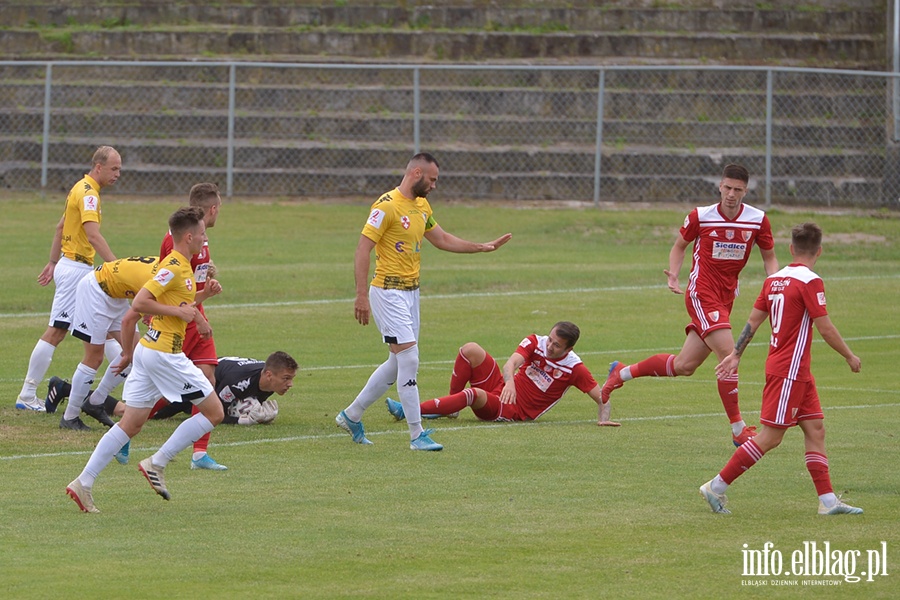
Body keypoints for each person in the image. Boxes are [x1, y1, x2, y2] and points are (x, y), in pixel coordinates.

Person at [336, 152, 511, 450]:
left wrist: (480, 247)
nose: (434, 186)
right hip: (388, 291)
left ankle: (351, 415)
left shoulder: (422, 206)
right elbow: (362, 249)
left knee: (396, 364)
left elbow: (441, 239)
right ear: (416, 173)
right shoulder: (385, 206)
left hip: (411, 294)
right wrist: (361, 295)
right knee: (411, 359)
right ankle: (417, 434)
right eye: (432, 180)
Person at [602, 163, 778, 446]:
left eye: (738, 190)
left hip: (726, 297)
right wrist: (674, 273)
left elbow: (769, 257)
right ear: (720, 186)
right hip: (701, 293)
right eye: (727, 188)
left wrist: (774, 283)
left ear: (746, 191)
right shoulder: (701, 216)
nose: (731, 194)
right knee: (729, 357)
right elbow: (679, 247)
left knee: (684, 366)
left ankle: (621, 372)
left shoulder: (757, 220)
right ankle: (738, 430)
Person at [66, 206, 224, 513]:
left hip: (149, 352)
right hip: (164, 353)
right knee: (214, 412)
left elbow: (178, 302)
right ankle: (158, 462)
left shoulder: (182, 268)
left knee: (131, 423)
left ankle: (82, 483)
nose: (205, 240)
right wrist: (180, 312)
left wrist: (202, 298)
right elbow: (139, 303)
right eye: (203, 234)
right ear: (189, 236)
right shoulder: (174, 266)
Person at [699, 222, 863, 516]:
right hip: (789, 371)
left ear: (790, 249)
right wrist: (849, 356)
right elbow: (824, 328)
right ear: (820, 251)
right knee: (771, 437)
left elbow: (752, 321)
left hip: (796, 371)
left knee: (815, 429)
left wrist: (735, 354)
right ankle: (716, 486)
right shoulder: (810, 281)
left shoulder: (774, 280)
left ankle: (828, 503)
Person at [15, 146, 121, 411]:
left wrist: (53, 262)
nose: (118, 174)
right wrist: (117, 267)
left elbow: (60, 227)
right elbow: (93, 235)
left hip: (72, 265)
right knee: (57, 330)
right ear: (99, 167)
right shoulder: (89, 195)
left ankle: (131, 390)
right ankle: (27, 395)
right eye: (114, 168)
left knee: (106, 325)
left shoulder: (80, 187)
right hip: (77, 269)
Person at [385, 322, 620, 426]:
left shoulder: (574, 368)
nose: (550, 346)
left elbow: (602, 397)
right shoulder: (535, 342)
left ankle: (408, 410)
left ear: (569, 349)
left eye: (557, 345)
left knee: (474, 394)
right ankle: (452, 407)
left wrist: (603, 417)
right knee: (470, 349)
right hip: (503, 389)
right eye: (550, 340)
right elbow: (511, 365)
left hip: (513, 410)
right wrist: (509, 383)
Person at [157, 182, 226, 470]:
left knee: (207, 380)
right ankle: (119, 417)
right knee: (154, 391)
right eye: (219, 208)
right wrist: (196, 317)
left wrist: (208, 276)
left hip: (198, 315)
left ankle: (199, 453)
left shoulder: (202, 238)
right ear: (213, 208)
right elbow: (165, 283)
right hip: (181, 320)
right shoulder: (174, 240)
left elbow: (192, 275)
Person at [54, 256, 161, 431]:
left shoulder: (171, 268)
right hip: (95, 291)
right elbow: (131, 318)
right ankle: (70, 417)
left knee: (136, 353)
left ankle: (95, 402)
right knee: (94, 357)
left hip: (116, 295)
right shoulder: (166, 276)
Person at [149, 352, 298, 426]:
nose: (290, 384)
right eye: (286, 378)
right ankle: (126, 408)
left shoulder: (268, 382)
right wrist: (241, 420)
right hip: (198, 380)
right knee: (154, 414)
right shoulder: (239, 382)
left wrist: (258, 415)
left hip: (217, 384)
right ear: (269, 375)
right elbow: (216, 414)